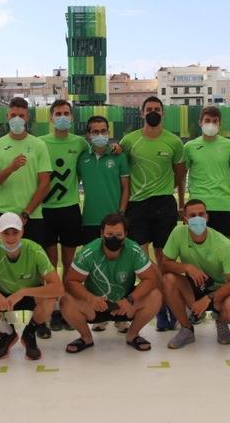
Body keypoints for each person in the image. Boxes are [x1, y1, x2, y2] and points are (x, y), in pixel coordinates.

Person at [119, 96, 186, 331]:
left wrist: (181, 201)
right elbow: (122, 173)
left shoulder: (174, 142)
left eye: (157, 109)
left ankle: (167, 305)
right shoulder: (129, 141)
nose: (153, 112)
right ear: (142, 112)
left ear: (163, 113)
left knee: (164, 259)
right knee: (142, 261)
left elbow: (180, 176)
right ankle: (150, 304)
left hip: (164, 204)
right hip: (137, 206)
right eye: (149, 109)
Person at [0, 212, 63, 361]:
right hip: (3, 296)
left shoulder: (35, 250)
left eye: (15, 232)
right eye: (6, 233)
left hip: (29, 293)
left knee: (49, 298)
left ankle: (29, 332)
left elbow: (58, 288)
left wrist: (23, 292)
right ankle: (7, 333)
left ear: (22, 231)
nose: (11, 238)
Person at [61, 213, 162, 353]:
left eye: (118, 235)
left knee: (155, 295)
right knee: (65, 299)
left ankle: (132, 335)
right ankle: (86, 337)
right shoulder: (89, 252)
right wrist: (90, 298)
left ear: (126, 234)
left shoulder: (134, 250)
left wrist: (130, 299)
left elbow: (151, 279)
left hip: (124, 304)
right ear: (101, 233)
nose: (113, 238)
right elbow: (70, 281)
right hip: (95, 304)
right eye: (109, 234)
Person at [161, 199, 230, 349]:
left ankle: (222, 322)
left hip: (219, 291)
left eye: (201, 214)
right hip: (192, 288)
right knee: (168, 279)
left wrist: (209, 298)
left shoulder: (223, 244)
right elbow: (164, 264)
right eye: (192, 215)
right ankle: (186, 329)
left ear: (207, 217)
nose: (197, 218)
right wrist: (187, 267)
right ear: (185, 220)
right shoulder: (178, 233)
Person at [77, 115, 130, 333]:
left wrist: (122, 214)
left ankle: (121, 315)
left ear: (109, 131)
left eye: (103, 131)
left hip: (115, 223)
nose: (100, 135)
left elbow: (126, 187)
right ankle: (99, 314)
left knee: (120, 268)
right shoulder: (83, 159)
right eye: (95, 131)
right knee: (94, 270)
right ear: (88, 135)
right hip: (90, 220)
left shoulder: (118, 156)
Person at [40, 99, 89, 332]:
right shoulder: (40, 143)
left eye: (66, 113)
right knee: (50, 263)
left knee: (69, 264)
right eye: (58, 113)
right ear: (51, 118)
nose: (62, 116)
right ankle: (53, 310)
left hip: (70, 209)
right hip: (46, 211)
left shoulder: (79, 143)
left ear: (71, 117)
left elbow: (97, 154)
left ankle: (67, 307)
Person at [183, 106, 230, 239]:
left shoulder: (229, 145)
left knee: (223, 252)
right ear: (200, 122)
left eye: (215, 121)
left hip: (222, 207)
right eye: (207, 120)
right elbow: (182, 177)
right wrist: (182, 204)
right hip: (197, 207)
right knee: (197, 251)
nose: (211, 124)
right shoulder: (189, 147)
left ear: (220, 123)